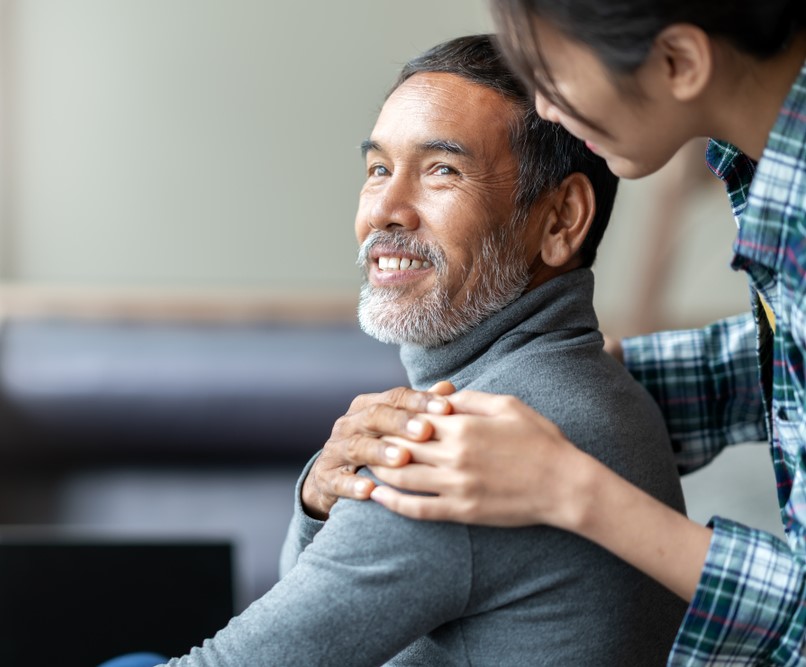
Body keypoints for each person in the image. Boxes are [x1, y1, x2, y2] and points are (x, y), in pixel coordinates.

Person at [102, 34, 688, 666]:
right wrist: (319, 501)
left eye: (442, 170)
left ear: (560, 219)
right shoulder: (597, 386)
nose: (384, 210)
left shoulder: (467, 453)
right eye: (378, 169)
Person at [302, 3, 806, 665]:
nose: (544, 106)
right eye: (378, 168)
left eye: (555, 70)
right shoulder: (763, 171)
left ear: (678, 62)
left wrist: (571, 486)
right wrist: (593, 391)